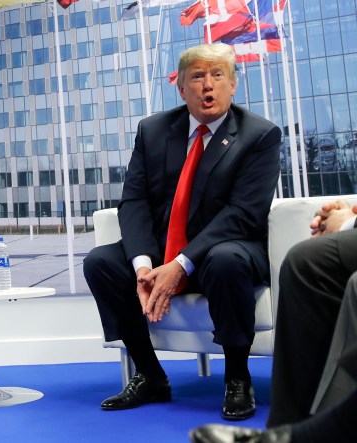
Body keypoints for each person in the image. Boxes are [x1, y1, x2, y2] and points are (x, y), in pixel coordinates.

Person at [83, 43, 281, 420]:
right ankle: (150, 375)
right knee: (101, 262)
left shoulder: (260, 135)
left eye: (218, 75)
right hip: (164, 248)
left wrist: (181, 264)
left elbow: (243, 213)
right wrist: (143, 265)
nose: (208, 86)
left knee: (225, 260)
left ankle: (237, 378)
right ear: (182, 89)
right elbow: (134, 201)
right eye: (198, 77)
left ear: (233, 84)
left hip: (228, 246)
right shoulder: (154, 130)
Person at [190, 199, 357, 442]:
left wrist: (348, 223)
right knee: (307, 260)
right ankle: (286, 426)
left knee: (318, 265)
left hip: (233, 243)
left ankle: (300, 435)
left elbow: (245, 208)